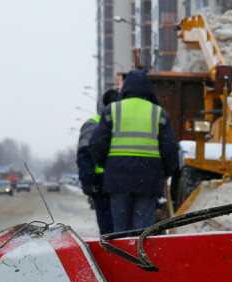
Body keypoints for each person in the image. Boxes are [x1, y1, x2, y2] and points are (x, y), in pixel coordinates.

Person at [89, 69, 181, 233]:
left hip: (117, 179)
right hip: (148, 180)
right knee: (142, 230)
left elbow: (97, 144)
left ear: (125, 88)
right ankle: (138, 258)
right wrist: (166, 171)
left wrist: (106, 165)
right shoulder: (159, 114)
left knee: (120, 231)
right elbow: (170, 149)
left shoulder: (112, 111)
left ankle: (122, 257)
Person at [76, 88, 120, 235]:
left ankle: (114, 254)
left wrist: (88, 182)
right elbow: (84, 155)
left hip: (105, 183)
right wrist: (89, 182)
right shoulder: (95, 124)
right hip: (105, 183)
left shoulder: (93, 124)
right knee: (114, 229)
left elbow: (84, 155)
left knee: (110, 229)